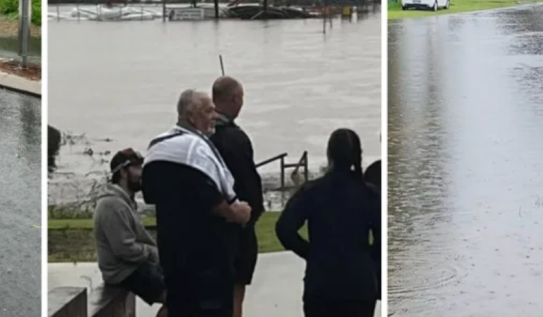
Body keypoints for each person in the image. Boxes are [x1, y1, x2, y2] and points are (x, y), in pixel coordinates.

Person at [142, 90, 252, 317]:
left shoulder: (156, 148)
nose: (214, 115)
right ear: (191, 117)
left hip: (172, 255)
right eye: (208, 111)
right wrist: (242, 213)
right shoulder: (197, 150)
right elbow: (221, 203)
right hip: (208, 260)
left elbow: (150, 195)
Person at [276, 129, 380, 317]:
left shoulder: (311, 191)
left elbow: (284, 229)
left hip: (322, 283)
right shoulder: (369, 194)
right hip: (359, 283)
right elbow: (383, 237)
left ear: (329, 154)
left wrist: (310, 253)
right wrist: (368, 258)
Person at [209, 77, 264, 317]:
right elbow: (249, 183)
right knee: (234, 295)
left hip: (207, 224)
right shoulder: (235, 139)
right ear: (234, 99)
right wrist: (253, 213)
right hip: (236, 224)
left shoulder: (201, 136)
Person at [92, 149, 168, 317]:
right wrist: (152, 252)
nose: (142, 173)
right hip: (124, 272)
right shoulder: (113, 205)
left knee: (187, 288)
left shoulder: (124, 201)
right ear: (123, 172)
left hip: (134, 267)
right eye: (137, 168)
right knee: (179, 299)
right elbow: (124, 249)